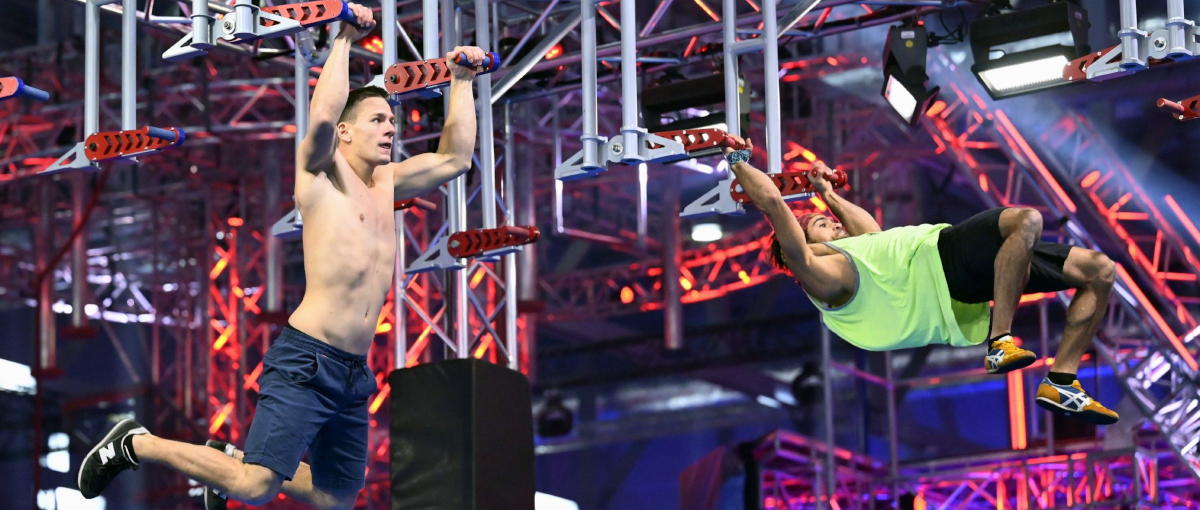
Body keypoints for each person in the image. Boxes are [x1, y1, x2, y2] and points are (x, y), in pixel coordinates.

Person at [77, 4, 491, 509]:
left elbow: (455, 158)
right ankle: (136, 443)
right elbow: (323, 117)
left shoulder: (388, 182)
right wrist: (344, 39)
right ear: (346, 132)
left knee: (337, 496)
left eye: (392, 120)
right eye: (377, 120)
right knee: (256, 486)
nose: (391, 128)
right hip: (308, 359)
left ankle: (227, 457)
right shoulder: (320, 174)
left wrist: (462, 82)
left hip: (353, 370)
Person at [722, 134, 1118, 425]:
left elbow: (871, 235)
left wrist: (827, 193)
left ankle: (1061, 381)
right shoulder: (819, 274)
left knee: (1099, 271)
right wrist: (736, 158)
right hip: (945, 260)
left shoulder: (861, 263)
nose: (834, 224)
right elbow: (773, 203)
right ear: (805, 245)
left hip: (963, 287)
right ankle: (1001, 342)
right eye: (822, 225)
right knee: (1025, 219)